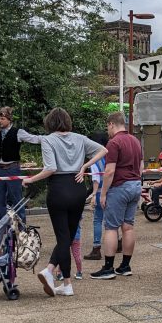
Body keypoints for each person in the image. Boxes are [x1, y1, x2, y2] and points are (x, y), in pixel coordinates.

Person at [23, 108, 106, 297]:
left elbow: (51, 168)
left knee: (63, 237)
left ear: (50, 123)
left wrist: (30, 179)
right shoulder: (80, 138)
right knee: (68, 237)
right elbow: (104, 150)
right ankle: (63, 280)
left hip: (58, 189)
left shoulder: (48, 140)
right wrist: (84, 166)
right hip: (77, 188)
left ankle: (57, 276)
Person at [90, 112, 145, 280]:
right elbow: (142, 164)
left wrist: (103, 193)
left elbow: (109, 171)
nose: (107, 130)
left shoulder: (114, 143)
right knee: (128, 226)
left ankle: (108, 267)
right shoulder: (135, 140)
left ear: (112, 124)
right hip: (135, 185)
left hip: (119, 187)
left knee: (111, 227)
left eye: (107, 126)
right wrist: (136, 180)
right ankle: (125, 265)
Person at [0, 107, 42, 221]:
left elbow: (33, 139)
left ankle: (22, 226)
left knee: (16, 197)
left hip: (12, 168)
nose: (0, 121)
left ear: (9, 120)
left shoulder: (18, 132)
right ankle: (1, 225)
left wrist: (50, 139)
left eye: (2, 118)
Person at [84, 131, 110, 261]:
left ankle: (96, 249)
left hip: (100, 191)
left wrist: (94, 194)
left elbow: (95, 178)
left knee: (98, 220)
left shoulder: (95, 159)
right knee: (111, 221)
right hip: (111, 191)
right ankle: (116, 243)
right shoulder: (109, 156)